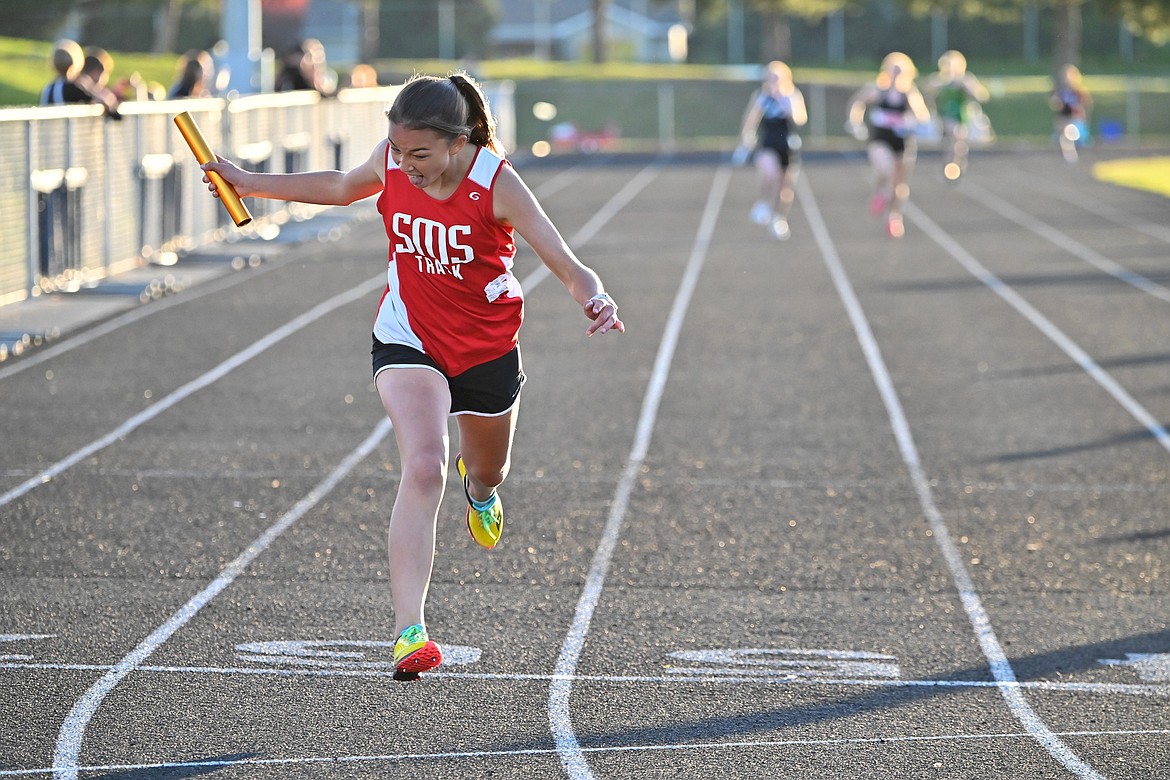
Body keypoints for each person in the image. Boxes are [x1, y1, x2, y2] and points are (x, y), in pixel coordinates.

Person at [200, 72, 624, 680]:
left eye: (419, 154)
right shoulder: (393, 163)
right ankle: (409, 631)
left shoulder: (496, 183)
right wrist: (246, 181)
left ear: (458, 142)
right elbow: (341, 186)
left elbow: (567, 264)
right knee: (423, 464)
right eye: (397, 151)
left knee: (486, 468)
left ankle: (480, 491)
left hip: (485, 348)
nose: (405, 165)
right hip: (409, 335)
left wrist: (596, 299)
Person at [847, 52, 931, 238]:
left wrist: (907, 119)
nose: (896, 75)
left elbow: (923, 116)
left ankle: (894, 216)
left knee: (899, 185)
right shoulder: (878, 90)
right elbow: (857, 102)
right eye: (893, 71)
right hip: (880, 140)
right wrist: (855, 122)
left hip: (903, 143)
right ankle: (880, 194)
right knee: (885, 169)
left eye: (900, 71)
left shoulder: (909, 93)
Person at [736, 61, 808, 241]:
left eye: (776, 77)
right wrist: (746, 137)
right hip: (768, 144)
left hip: (788, 146)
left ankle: (779, 217)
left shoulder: (792, 95)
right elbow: (751, 118)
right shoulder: (762, 97)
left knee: (786, 188)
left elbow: (800, 119)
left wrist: (788, 107)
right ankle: (763, 202)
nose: (773, 81)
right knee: (771, 174)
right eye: (770, 77)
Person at [926, 50, 989, 181]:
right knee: (952, 136)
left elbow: (981, 96)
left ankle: (956, 162)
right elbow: (928, 93)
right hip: (944, 116)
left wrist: (968, 87)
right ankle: (950, 162)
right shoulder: (940, 81)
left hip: (961, 116)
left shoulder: (965, 80)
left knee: (958, 138)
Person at [1049, 64, 1091, 163]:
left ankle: (1071, 154)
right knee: (1064, 130)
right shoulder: (1062, 93)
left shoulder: (1079, 93)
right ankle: (1068, 153)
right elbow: (1058, 108)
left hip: (1076, 123)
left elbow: (1082, 109)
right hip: (1066, 122)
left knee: (1070, 130)